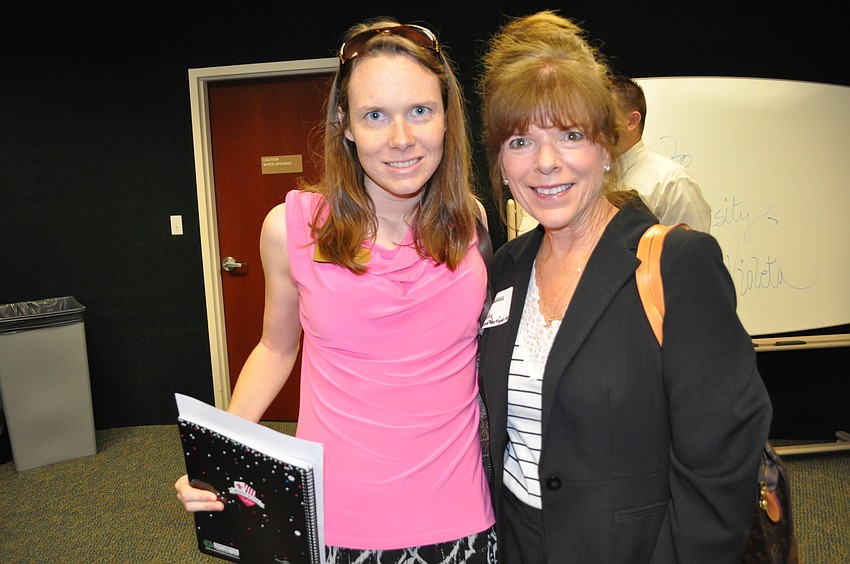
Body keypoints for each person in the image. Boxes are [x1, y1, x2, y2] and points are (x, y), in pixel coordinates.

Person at [175, 17, 497, 563]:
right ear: (345, 124)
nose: (401, 138)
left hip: (463, 515)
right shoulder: (292, 227)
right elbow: (275, 348)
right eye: (376, 115)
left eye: (421, 111)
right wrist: (216, 456)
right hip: (336, 521)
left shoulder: (472, 223)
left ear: (447, 117)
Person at [475, 10, 772, 563]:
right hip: (517, 543)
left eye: (569, 135)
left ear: (608, 147)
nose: (545, 163)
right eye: (520, 141)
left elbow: (721, 459)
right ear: (500, 161)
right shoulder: (506, 268)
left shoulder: (678, 265)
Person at [610, 74, 712, 232]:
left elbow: (691, 248)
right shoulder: (589, 178)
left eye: (605, 117)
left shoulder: (673, 184)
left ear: (632, 121)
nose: (593, 125)